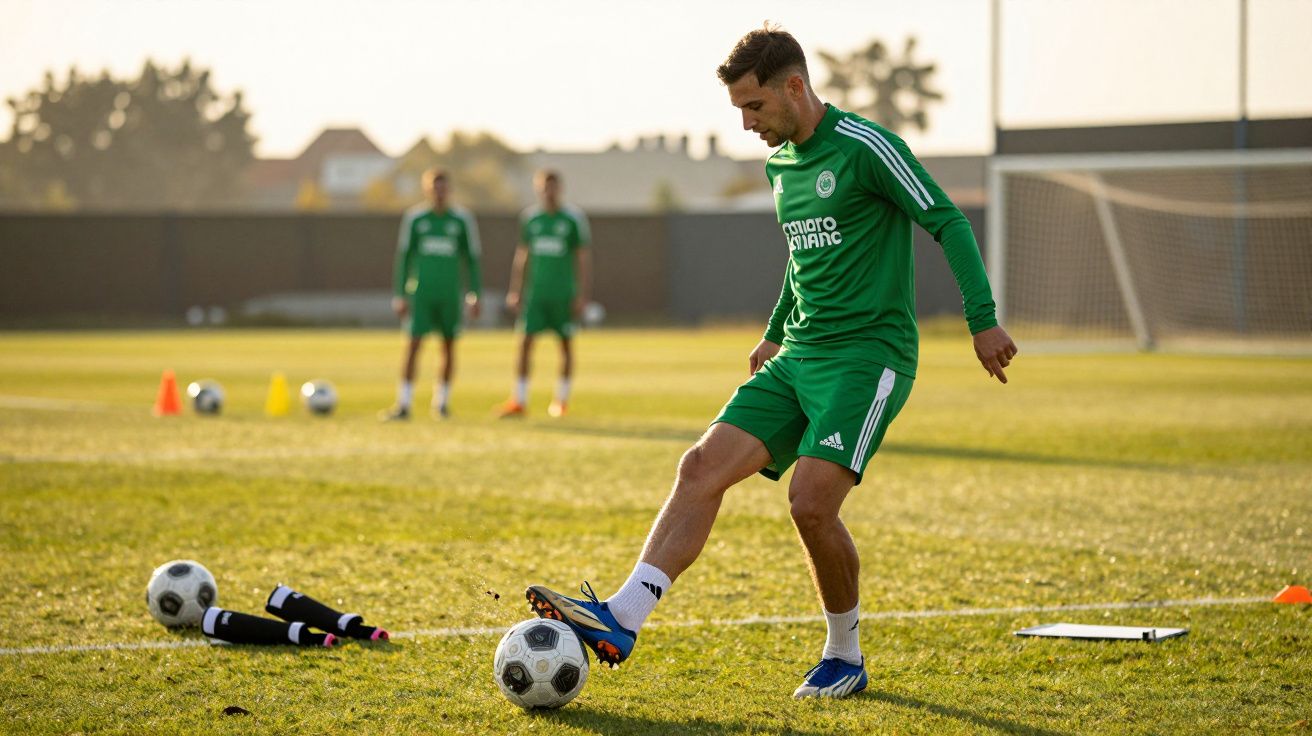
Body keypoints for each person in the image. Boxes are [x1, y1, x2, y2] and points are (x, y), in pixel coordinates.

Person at [524, 25, 1017, 699]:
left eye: (754, 109)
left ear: (794, 86)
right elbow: (802, 257)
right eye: (739, 112)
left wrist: (982, 321)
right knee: (699, 467)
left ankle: (845, 654)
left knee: (810, 503)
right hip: (800, 354)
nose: (747, 124)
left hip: (868, 357)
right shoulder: (781, 164)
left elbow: (947, 221)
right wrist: (776, 331)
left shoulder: (868, 147)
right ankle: (621, 618)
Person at [380, 168, 481, 421]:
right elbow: (404, 258)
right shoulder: (416, 219)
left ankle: (442, 403)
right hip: (421, 294)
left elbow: (472, 259)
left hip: (449, 294)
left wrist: (474, 293)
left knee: (448, 346)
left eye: (443, 187)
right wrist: (400, 294)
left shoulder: (460, 220)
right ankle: (403, 404)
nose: (439, 192)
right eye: (435, 187)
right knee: (413, 345)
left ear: (449, 190)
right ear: (427, 189)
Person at [496, 169, 592, 418]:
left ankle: (561, 400)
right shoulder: (531, 219)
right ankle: (519, 399)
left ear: (560, 189)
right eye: (544, 187)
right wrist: (515, 290)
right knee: (525, 343)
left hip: (563, 294)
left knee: (565, 345)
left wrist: (581, 293)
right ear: (538, 189)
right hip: (535, 295)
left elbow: (581, 258)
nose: (549, 192)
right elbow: (523, 256)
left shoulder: (572, 219)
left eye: (553, 187)